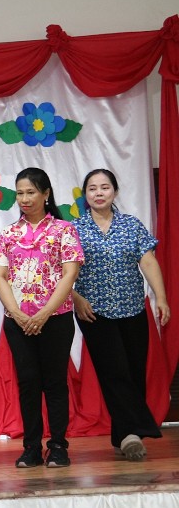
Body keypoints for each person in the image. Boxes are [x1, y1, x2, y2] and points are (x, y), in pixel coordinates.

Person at [72, 168, 169, 461]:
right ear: (85, 195)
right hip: (94, 312)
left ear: (115, 191)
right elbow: (63, 272)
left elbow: (148, 262)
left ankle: (123, 435)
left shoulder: (131, 225)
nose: (98, 193)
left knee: (133, 371)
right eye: (92, 188)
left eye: (104, 187)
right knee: (114, 372)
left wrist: (161, 298)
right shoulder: (74, 229)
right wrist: (75, 298)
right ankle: (135, 432)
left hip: (132, 309)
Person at [0, 167, 84, 469]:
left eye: (31, 192)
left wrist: (44, 313)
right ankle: (31, 447)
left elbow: (70, 274)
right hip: (18, 322)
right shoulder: (8, 233)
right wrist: (17, 314)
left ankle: (58, 446)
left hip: (55, 319)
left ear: (46, 194)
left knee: (55, 382)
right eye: (20, 193)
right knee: (28, 383)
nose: (24, 198)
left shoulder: (63, 230)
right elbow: (1, 276)